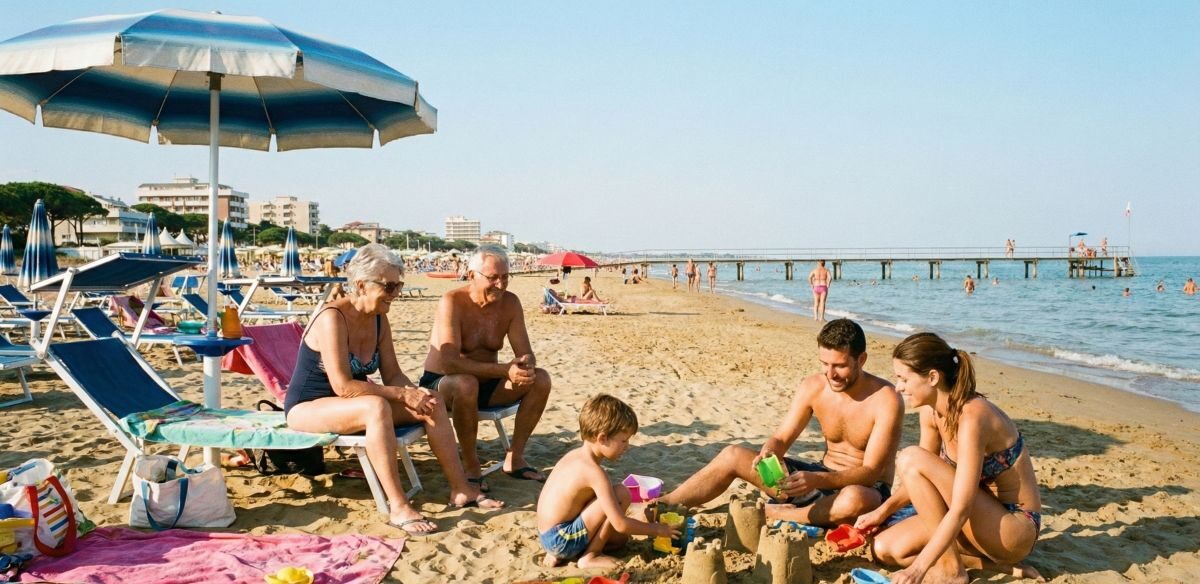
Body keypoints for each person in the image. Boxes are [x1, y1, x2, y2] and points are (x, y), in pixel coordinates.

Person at [285, 244, 502, 535]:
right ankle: (398, 506)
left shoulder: (378, 318)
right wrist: (402, 395)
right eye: (389, 286)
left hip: (351, 405)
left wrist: (416, 394)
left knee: (433, 400)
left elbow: (393, 374)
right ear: (361, 285)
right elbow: (343, 385)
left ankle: (461, 489)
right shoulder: (331, 317)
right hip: (309, 406)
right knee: (376, 407)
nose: (396, 293)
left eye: (398, 285)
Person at [654, 319, 903, 527]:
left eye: (839, 366)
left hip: (859, 489)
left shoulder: (886, 399)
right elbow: (782, 438)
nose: (830, 374)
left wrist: (817, 481)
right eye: (824, 364)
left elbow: (870, 473)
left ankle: (781, 513)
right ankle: (666, 502)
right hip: (814, 480)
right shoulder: (814, 386)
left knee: (857, 499)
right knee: (732, 455)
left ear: (861, 360)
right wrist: (770, 453)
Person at [857, 332, 1043, 584]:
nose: (898, 387)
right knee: (885, 548)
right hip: (975, 524)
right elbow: (919, 481)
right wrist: (881, 512)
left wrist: (918, 569)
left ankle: (952, 570)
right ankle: (985, 566)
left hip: (1011, 530)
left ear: (932, 377)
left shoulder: (973, 417)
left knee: (910, 457)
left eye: (903, 379)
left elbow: (961, 507)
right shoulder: (930, 412)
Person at [421, 245, 553, 488]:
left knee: (541, 379)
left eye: (505, 277)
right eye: (493, 278)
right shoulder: (452, 301)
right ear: (471, 275)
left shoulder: (510, 303)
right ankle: (471, 465)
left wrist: (525, 365)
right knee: (465, 383)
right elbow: (450, 363)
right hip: (444, 384)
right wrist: (505, 370)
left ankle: (515, 457)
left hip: (487, 384)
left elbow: (525, 352)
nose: (501, 285)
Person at [537, 394, 676, 568]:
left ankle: (559, 553)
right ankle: (590, 556)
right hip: (562, 539)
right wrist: (658, 529)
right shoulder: (594, 472)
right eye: (623, 440)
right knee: (621, 494)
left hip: (547, 536)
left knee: (618, 531)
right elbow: (620, 523)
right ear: (602, 438)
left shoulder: (573, 456)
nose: (627, 446)